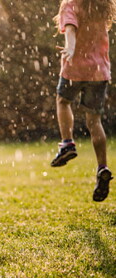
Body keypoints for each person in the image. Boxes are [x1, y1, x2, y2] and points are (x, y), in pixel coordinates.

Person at [52, 0, 114, 201]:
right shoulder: (101, 6)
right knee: (94, 121)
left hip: (74, 68)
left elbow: (70, 29)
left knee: (63, 101)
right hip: (99, 71)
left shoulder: (71, 4)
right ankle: (102, 167)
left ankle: (67, 143)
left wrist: (70, 48)